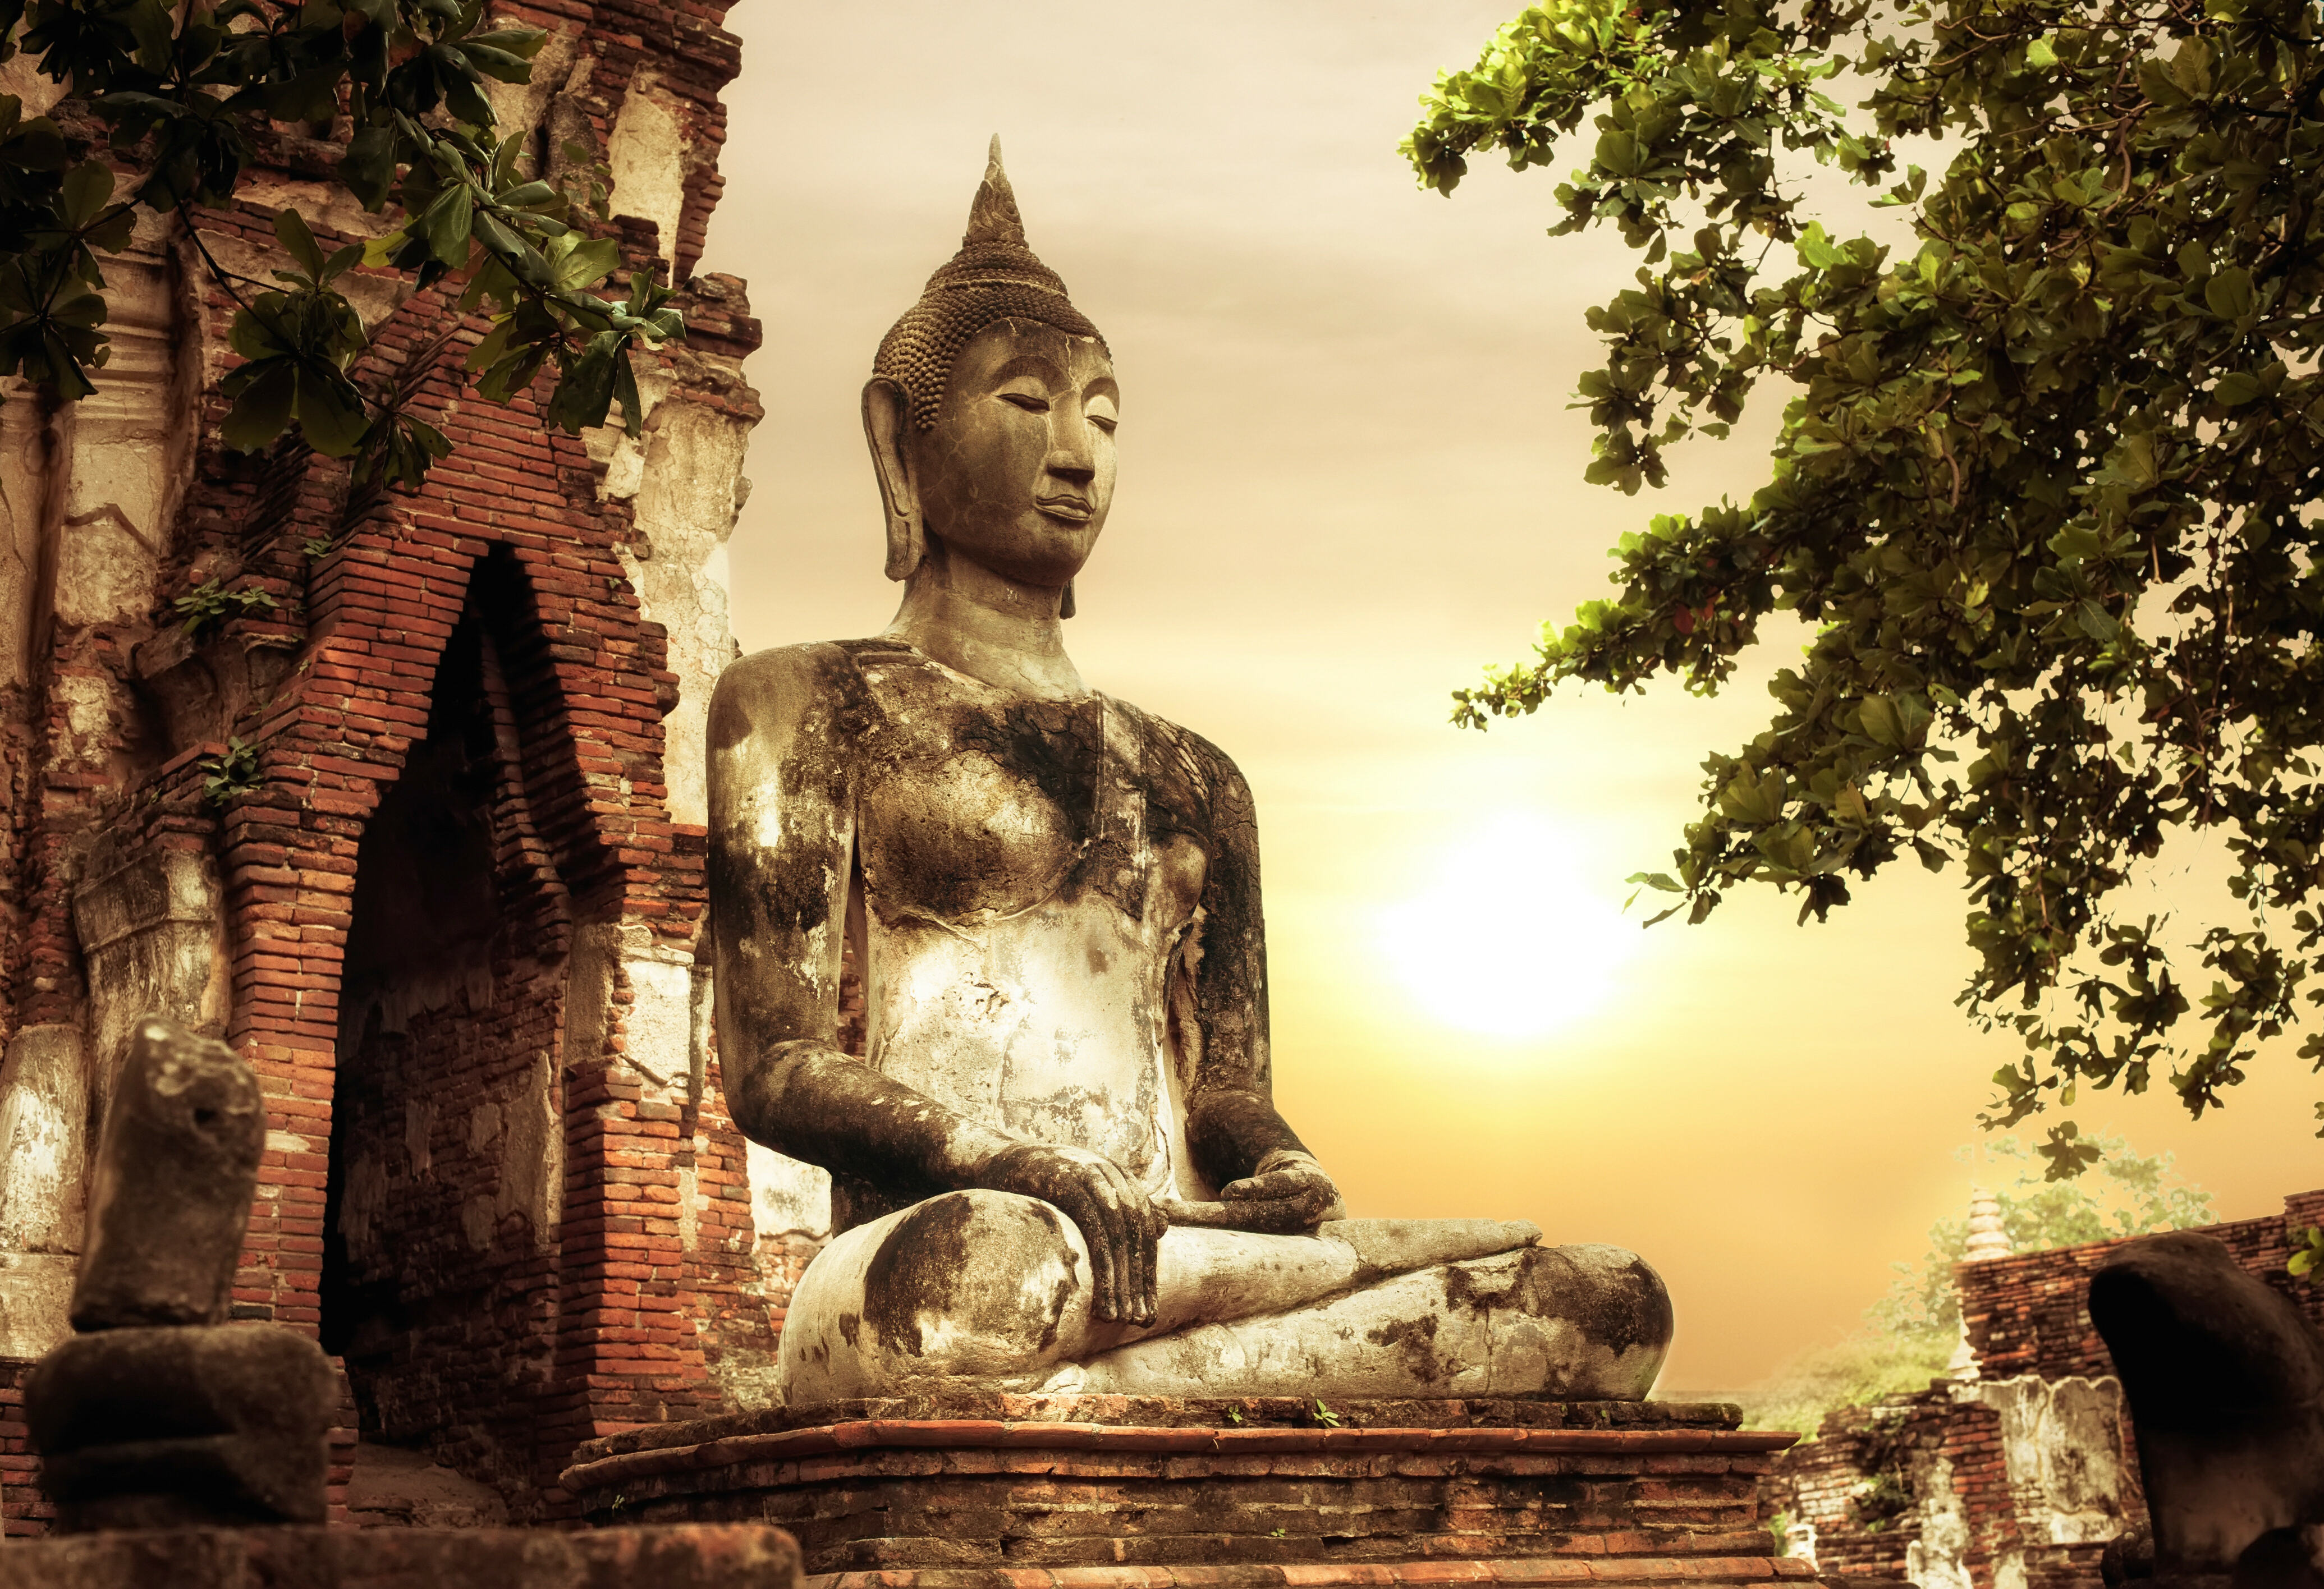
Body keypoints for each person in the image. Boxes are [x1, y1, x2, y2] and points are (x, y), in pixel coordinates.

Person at [707, 141, 1670, 1402]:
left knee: (1605, 1304)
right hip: (947, 1248)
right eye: (1025, 404)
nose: (1076, 453)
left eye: (1103, 418)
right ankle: (1209, 1369)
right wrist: (1013, 1162)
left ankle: (1141, 1381)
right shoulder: (804, 700)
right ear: (901, 438)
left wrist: (1283, 1167)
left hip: (1179, 1251)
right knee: (975, 1283)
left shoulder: (1194, 773)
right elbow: (772, 1066)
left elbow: (1225, 1095)